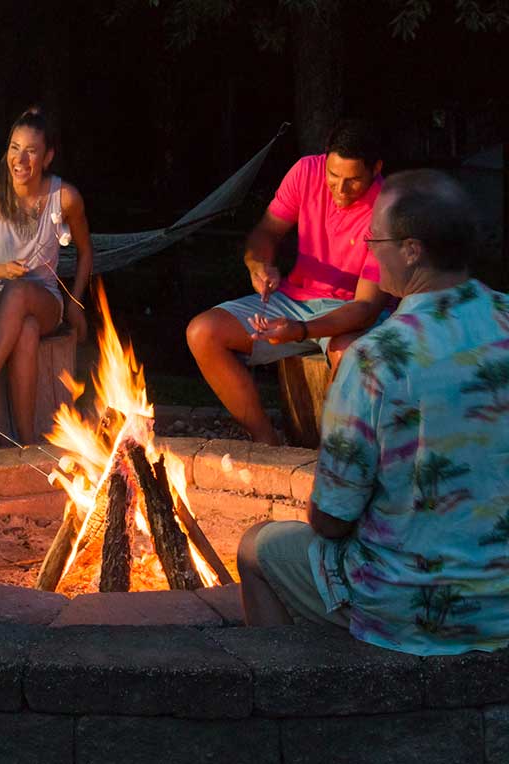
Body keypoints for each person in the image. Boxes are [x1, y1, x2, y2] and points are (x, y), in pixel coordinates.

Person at [237, 169, 509, 656]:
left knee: (259, 546)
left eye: (373, 237)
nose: (367, 246)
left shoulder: (377, 356)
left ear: (411, 250)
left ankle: (289, 702)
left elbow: (331, 520)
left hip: (410, 604)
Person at [187, 119, 389, 444]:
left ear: (376, 168)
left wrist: (299, 330)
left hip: (351, 312)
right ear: (325, 159)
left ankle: (340, 463)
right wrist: (259, 265)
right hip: (295, 298)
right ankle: (268, 443)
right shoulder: (306, 171)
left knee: (350, 356)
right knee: (202, 331)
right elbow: (265, 232)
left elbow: (365, 307)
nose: (339, 189)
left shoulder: (388, 210)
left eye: (352, 181)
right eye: (333, 176)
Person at [0, 108, 93, 451]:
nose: (20, 159)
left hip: (41, 298)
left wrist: (75, 304)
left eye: (31, 150)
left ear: (48, 156)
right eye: (14, 147)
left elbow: (86, 252)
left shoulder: (65, 198)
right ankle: (23, 444)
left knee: (21, 293)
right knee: (22, 328)